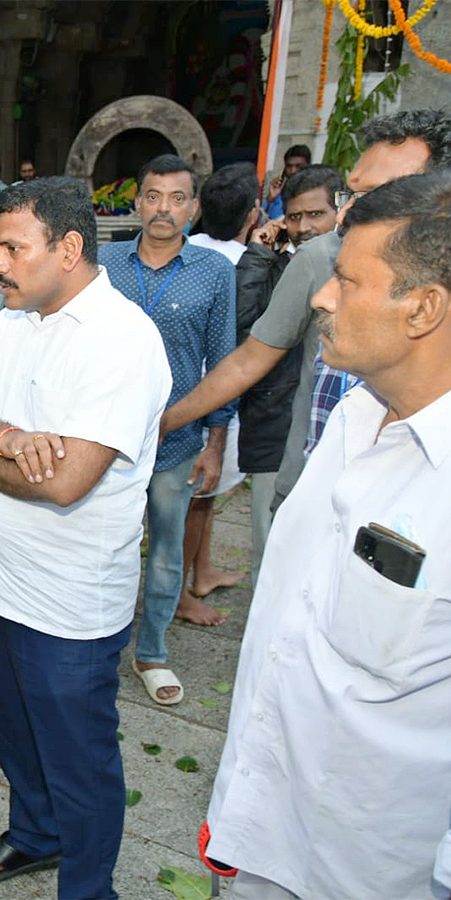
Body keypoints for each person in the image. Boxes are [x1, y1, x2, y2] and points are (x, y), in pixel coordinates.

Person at [203, 170, 451, 900]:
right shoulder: (350, 417)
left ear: (423, 309)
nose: (320, 297)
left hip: (366, 870)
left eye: (347, 281)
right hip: (260, 824)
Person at [0, 178, 170, 897]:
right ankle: (35, 834)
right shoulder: (13, 322)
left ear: (68, 248)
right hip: (2, 582)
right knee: (18, 737)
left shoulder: (121, 340)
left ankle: (89, 888)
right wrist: (2, 436)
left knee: (80, 762)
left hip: (71, 602)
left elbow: (65, 483)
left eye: (11, 247)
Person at [159, 110, 451, 517]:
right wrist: (164, 422)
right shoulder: (318, 259)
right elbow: (249, 359)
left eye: (379, 197)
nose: (348, 215)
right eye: (351, 196)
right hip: (310, 491)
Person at [98, 154, 236, 706]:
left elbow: (223, 361)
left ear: (195, 208)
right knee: (103, 544)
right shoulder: (105, 262)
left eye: (177, 199)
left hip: (177, 440)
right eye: (153, 196)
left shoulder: (214, 272)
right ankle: (97, 643)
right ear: (137, 202)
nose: (163, 209)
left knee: (165, 551)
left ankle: (151, 652)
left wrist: (215, 445)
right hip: (105, 436)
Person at [236, 164, 341, 584]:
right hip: (273, 429)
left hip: (322, 434)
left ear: (341, 210)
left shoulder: (346, 268)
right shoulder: (276, 264)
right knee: (271, 558)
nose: (304, 227)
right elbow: (244, 330)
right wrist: (260, 255)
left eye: (316, 215)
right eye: (294, 216)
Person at [180, 164, 259, 602]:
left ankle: (202, 571)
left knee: (203, 499)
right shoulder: (243, 266)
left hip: (190, 398)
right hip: (215, 403)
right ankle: (182, 596)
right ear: (253, 215)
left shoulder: (184, 250)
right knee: (197, 500)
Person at [264, 143, 311, 220]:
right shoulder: (280, 192)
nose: (293, 171)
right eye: (289, 166)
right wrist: (270, 199)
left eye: (298, 166)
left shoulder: (314, 192)